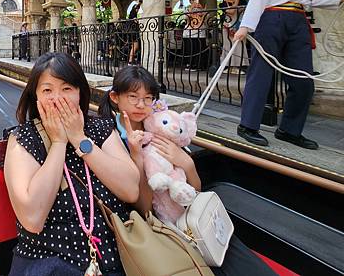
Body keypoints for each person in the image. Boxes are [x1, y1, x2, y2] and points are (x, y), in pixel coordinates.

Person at [98, 65, 277, 276]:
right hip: (157, 225)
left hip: (188, 214)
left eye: (148, 98)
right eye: (133, 97)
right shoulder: (108, 136)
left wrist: (186, 163)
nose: (141, 105)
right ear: (115, 97)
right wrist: (137, 155)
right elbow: (143, 209)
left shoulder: (160, 125)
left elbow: (195, 189)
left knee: (238, 259)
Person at [4, 52, 139, 275]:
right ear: (35, 97)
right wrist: (58, 143)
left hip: (116, 256)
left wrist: (79, 140)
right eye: (47, 90)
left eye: (67, 89)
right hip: (48, 261)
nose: (58, 98)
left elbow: (131, 190)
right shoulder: (24, 138)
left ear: (80, 93)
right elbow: (32, 219)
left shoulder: (99, 129)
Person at [233, 0, 344, 149]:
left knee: (303, 79)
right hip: (271, 19)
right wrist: (245, 27)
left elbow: (313, 0)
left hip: (298, 22)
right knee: (261, 73)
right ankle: (248, 126)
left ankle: (289, 130)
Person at [219, 0, 249, 74]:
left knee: (239, 45)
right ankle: (227, 65)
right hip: (227, 27)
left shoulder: (238, 3)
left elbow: (242, 9)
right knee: (228, 46)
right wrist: (237, 0)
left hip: (237, 27)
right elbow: (231, 11)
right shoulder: (222, 5)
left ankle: (240, 65)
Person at [183, 0, 208, 71]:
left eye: (196, 0)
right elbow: (185, 17)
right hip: (190, 33)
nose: (195, 2)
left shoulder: (202, 9)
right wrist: (191, 8)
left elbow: (207, 17)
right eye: (193, 1)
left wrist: (202, 9)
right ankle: (190, 64)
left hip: (200, 33)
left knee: (200, 49)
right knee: (190, 49)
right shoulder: (187, 9)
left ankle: (199, 65)